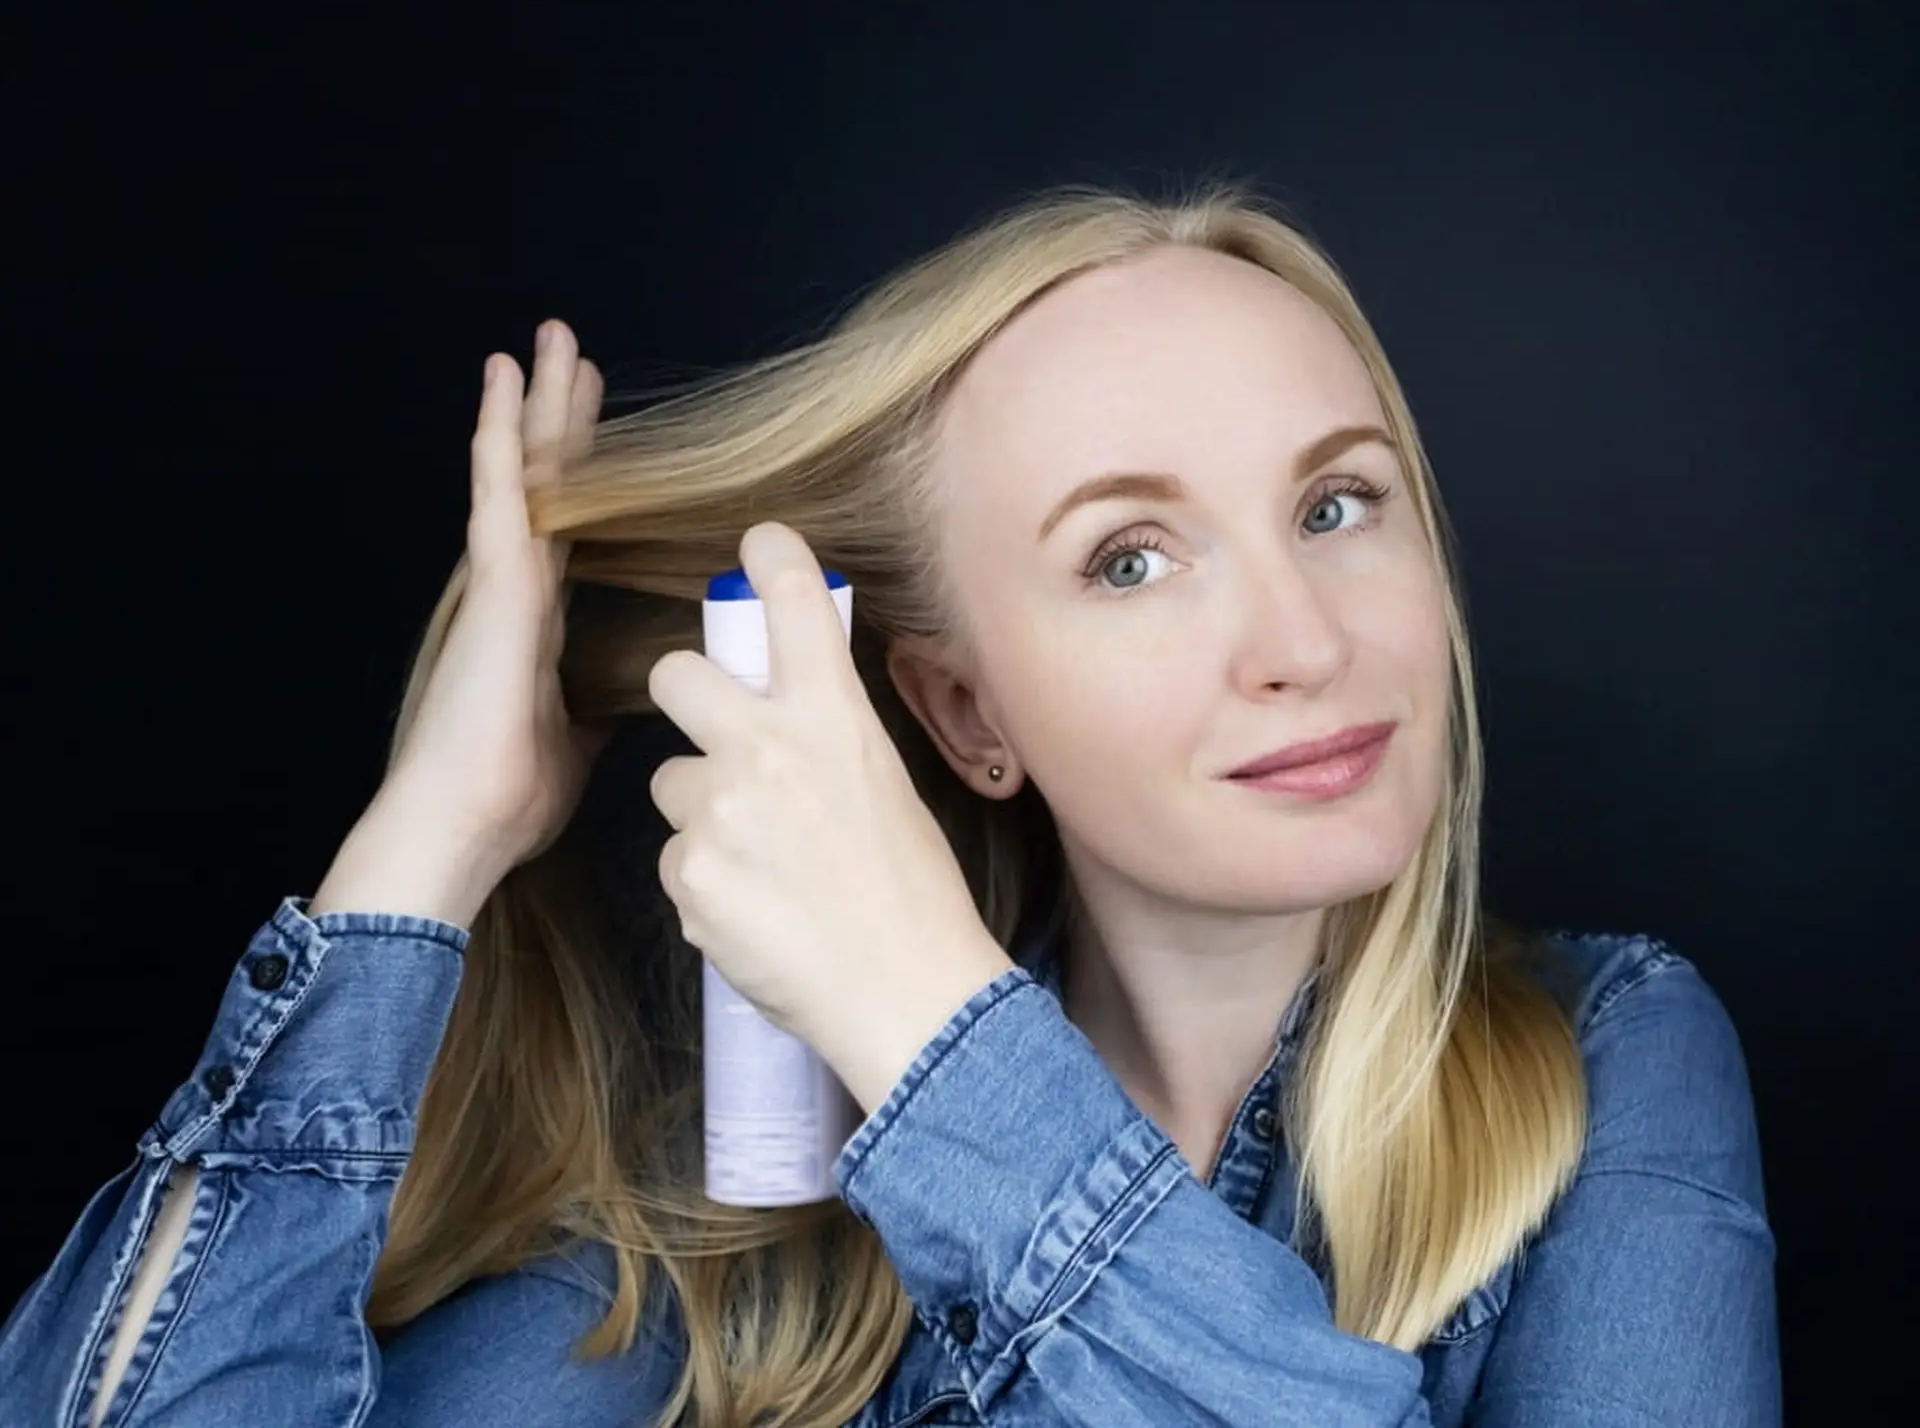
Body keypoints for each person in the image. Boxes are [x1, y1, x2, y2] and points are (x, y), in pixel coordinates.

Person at [0, 182, 1780, 1427]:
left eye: (1337, 505)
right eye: (1134, 556)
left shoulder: (1607, 1065)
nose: (1303, 642)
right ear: (960, 711)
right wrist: (424, 849)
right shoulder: (768, 1236)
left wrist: (943, 1037)